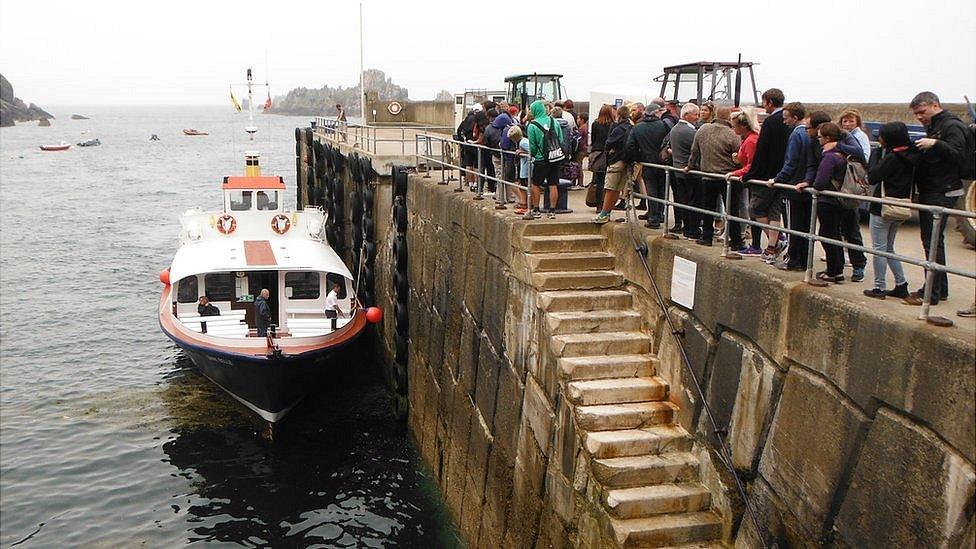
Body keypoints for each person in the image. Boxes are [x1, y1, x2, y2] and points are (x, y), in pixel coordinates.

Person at [905, 91, 969, 306]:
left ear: (935, 105)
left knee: (932, 241)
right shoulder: (937, 125)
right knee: (933, 242)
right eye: (916, 115)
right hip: (934, 189)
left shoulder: (951, 126)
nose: (920, 117)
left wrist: (935, 144)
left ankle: (931, 293)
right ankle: (939, 289)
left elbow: (959, 154)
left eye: (922, 112)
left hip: (942, 190)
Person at [803, 110, 868, 280]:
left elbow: (860, 154)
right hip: (839, 194)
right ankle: (838, 267)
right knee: (835, 233)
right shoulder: (813, 143)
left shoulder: (843, 139)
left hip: (842, 195)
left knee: (848, 231)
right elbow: (812, 165)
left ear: (822, 131)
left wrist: (837, 146)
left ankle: (856, 266)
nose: (808, 132)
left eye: (809, 128)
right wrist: (808, 180)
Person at [863, 122, 918, 299]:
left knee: (879, 249)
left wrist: (877, 154)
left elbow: (872, 177)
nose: (879, 139)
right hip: (901, 206)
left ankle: (879, 287)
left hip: (883, 207)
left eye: (882, 136)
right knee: (889, 248)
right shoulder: (912, 155)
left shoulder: (892, 157)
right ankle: (901, 284)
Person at [743, 89, 791, 260]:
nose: (764, 106)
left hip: (767, 175)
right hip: (784, 174)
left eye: (764, 102)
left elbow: (762, 150)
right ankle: (772, 246)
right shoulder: (788, 121)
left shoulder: (771, 121)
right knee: (774, 212)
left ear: (770, 102)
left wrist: (751, 174)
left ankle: (777, 240)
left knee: (755, 208)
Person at [687, 106, 741, 246]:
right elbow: (739, 156)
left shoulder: (703, 129)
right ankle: (736, 240)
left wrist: (690, 166)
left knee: (708, 208)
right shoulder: (732, 134)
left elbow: (694, 152)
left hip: (707, 175)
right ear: (728, 118)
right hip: (727, 177)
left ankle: (706, 237)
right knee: (732, 210)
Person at [772, 102, 813, 271]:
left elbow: (790, 163)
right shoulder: (809, 134)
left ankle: (792, 260)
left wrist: (777, 179)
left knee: (793, 227)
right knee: (804, 228)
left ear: (795, 118)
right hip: (806, 187)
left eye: (786, 118)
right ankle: (803, 261)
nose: (784, 122)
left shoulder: (796, 135)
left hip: (793, 187)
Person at [811, 123, 849, 282]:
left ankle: (833, 271)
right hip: (839, 200)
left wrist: (812, 185)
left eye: (820, 137)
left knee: (827, 235)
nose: (818, 139)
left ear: (827, 138)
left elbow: (820, 182)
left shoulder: (829, 157)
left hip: (827, 202)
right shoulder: (842, 154)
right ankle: (837, 270)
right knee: (835, 235)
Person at [628, 98, 671, 227]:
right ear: (656, 113)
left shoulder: (637, 128)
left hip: (647, 162)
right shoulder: (664, 125)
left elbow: (630, 146)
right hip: (663, 163)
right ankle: (661, 214)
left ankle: (653, 218)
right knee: (662, 189)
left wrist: (639, 157)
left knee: (651, 190)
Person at [593, 104, 635, 224]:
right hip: (626, 161)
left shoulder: (617, 128)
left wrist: (610, 150)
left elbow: (608, 143)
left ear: (619, 115)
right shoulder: (631, 127)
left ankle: (604, 213)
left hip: (615, 161)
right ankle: (608, 211)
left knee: (610, 188)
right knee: (617, 189)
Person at [526, 99, 563, 220]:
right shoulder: (554, 121)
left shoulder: (532, 125)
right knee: (553, 184)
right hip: (555, 157)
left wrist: (536, 155)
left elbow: (532, 145)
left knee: (536, 184)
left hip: (541, 159)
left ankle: (536, 209)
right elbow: (561, 140)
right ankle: (552, 211)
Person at [668, 103, 701, 239]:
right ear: (686, 115)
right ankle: (692, 230)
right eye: (695, 114)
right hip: (689, 172)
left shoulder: (674, 129)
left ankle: (687, 228)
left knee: (683, 200)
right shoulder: (690, 132)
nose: (697, 118)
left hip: (678, 170)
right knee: (693, 202)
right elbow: (697, 151)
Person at [588, 105, 614, 210]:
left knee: (598, 180)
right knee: (606, 181)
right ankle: (605, 204)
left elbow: (593, 139)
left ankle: (598, 204)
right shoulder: (612, 125)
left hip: (597, 153)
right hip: (608, 153)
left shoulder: (595, 124)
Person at [512, 126, 531, 214]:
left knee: (523, 187)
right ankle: (526, 204)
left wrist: (522, 152)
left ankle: (524, 205)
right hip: (525, 167)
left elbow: (532, 151)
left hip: (526, 167)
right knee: (523, 186)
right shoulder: (524, 141)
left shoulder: (523, 143)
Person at [574, 113, 589, 188]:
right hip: (584, 149)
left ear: (582, 120)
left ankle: (580, 183)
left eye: (578, 118)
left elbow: (577, 139)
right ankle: (580, 183)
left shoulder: (581, 129)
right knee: (579, 165)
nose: (577, 120)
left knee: (579, 165)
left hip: (581, 149)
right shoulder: (584, 127)